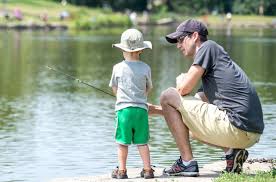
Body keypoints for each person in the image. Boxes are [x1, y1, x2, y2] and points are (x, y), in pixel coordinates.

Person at [148, 19, 264, 176]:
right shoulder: (215, 68)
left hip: (237, 127)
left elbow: (182, 89)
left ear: (195, 36)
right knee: (188, 123)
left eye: (180, 39)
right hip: (249, 133)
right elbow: (188, 111)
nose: (178, 45)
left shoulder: (207, 47)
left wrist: (181, 80)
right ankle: (232, 154)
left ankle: (187, 163)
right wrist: (154, 110)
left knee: (168, 95)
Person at [109, 29, 154, 179]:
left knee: (122, 143)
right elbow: (149, 88)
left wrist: (120, 97)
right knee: (142, 142)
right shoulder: (146, 67)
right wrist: (141, 97)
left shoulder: (117, 68)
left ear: (123, 50)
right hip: (141, 110)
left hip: (124, 111)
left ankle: (122, 171)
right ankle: (148, 170)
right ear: (141, 50)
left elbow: (114, 88)